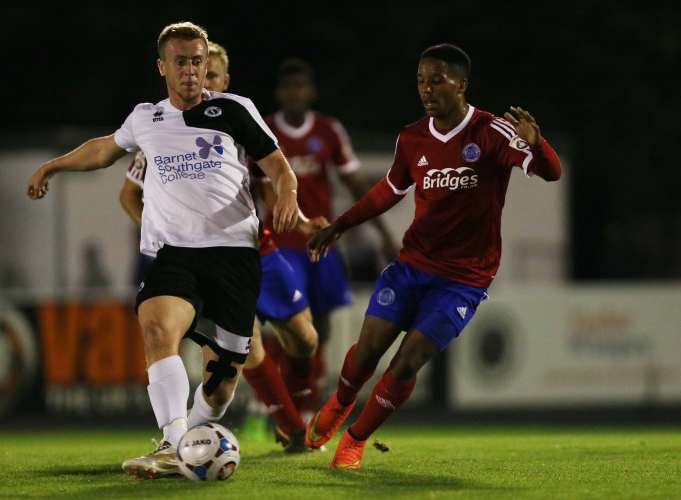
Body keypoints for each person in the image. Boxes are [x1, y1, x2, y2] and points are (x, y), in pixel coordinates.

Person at [26, 22, 300, 479]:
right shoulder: (145, 118)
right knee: (156, 330)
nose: (191, 71)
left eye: (198, 61)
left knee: (220, 384)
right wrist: (53, 166)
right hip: (177, 254)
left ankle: (189, 442)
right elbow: (101, 151)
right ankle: (175, 444)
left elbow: (278, 166)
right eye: (181, 62)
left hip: (233, 254)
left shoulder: (233, 110)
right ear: (163, 66)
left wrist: (288, 193)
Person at [304, 43, 562, 469]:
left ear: (461, 85)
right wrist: (339, 225)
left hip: (465, 278)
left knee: (408, 362)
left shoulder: (492, 132)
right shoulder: (412, 137)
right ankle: (340, 402)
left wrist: (538, 145)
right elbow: (388, 190)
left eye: (437, 81)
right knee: (368, 352)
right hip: (412, 266)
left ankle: (354, 440)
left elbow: (551, 172)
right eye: (422, 81)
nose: (427, 89)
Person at [118, 41, 321, 453]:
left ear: (223, 80)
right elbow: (128, 195)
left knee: (305, 340)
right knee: (247, 346)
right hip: (210, 257)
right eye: (193, 70)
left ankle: (297, 411)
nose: (200, 81)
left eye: (209, 74)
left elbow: (272, 183)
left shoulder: (237, 119)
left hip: (258, 247)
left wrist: (301, 222)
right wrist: (170, 234)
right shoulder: (161, 130)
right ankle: (291, 428)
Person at [255, 58, 400, 420]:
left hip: (321, 244)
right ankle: (284, 407)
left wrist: (382, 233)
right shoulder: (263, 130)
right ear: (279, 93)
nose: (294, 93)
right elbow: (256, 188)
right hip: (281, 247)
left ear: (310, 92)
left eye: (299, 86)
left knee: (322, 327)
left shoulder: (328, 130)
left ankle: (304, 404)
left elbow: (355, 185)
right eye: (287, 87)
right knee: (289, 328)